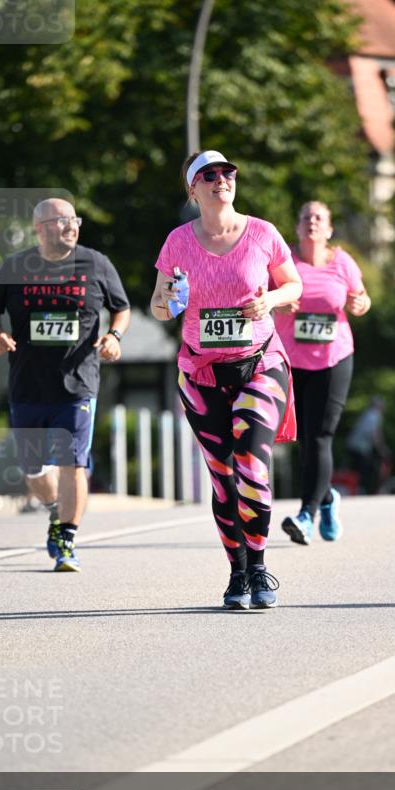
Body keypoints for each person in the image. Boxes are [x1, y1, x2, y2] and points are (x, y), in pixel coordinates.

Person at [150, 150, 302, 610]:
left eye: (227, 172)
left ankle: (259, 567)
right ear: (193, 189)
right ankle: (237, 572)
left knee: (251, 462)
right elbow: (159, 307)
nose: (222, 179)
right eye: (209, 175)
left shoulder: (262, 233)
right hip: (201, 373)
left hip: (260, 363)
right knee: (223, 477)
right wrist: (171, 300)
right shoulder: (178, 242)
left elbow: (293, 285)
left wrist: (270, 300)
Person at [0, 197, 130, 572]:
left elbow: (121, 308)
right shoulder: (16, 267)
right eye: (62, 220)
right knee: (33, 467)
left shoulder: (96, 263)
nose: (71, 226)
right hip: (28, 383)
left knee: (73, 462)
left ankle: (67, 537)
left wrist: (114, 336)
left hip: (78, 382)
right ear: (40, 228)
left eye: (75, 219)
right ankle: (54, 511)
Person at [276, 201, 370, 544]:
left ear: (329, 230)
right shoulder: (284, 260)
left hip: (334, 358)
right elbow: (264, 296)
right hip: (291, 360)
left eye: (319, 218)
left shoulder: (342, 262)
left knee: (320, 437)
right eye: (306, 217)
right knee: (304, 440)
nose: (312, 222)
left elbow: (361, 298)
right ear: (298, 227)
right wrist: (279, 302)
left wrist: (360, 304)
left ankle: (306, 516)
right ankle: (327, 497)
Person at [346, 396, 391, 494]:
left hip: (354, 446)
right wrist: (382, 449)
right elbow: (374, 434)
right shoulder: (374, 415)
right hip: (360, 447)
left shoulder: (367, 414)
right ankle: (361, 490)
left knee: (357, 468)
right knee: (364, 469)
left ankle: (357, 489)